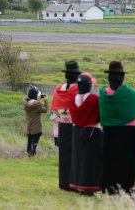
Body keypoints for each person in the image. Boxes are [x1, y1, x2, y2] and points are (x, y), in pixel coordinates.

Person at [99, 61, 135, 195]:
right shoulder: (129, 92)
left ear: (109, 77)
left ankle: (112, 188)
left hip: (109, 131)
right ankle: (130, 188)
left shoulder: (103, 94)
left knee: (112, 161)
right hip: (129, 132)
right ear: (122, 77)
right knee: (130, 162)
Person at [69, 73, 103, 195]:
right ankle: (90, 188)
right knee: (92, 160)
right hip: (92, 131)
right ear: (89, 86)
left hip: (77, 131)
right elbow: (100, 115)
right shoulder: (95, 99)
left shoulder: (73, 98)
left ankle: (79, 186)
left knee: (79, 159)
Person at [50, 60, 81, 191]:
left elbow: (53, 113)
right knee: (75, 156)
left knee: (64, 156)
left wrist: (56, 130)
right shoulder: (77, 90)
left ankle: (63, 183)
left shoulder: (58, 90)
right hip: (74, 125)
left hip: (61, 125)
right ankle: (73, 184)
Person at [23, 85, 48, 157]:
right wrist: (45, 100)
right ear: (36, 96)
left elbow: (31, 100)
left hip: (29, 128)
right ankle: (32, 155)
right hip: (36, 129)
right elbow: (45, 110)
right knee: (34, 145)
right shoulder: (37, 106)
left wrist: (37, 99)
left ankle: (29, 154)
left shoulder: (26, 105)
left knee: (29, 143)